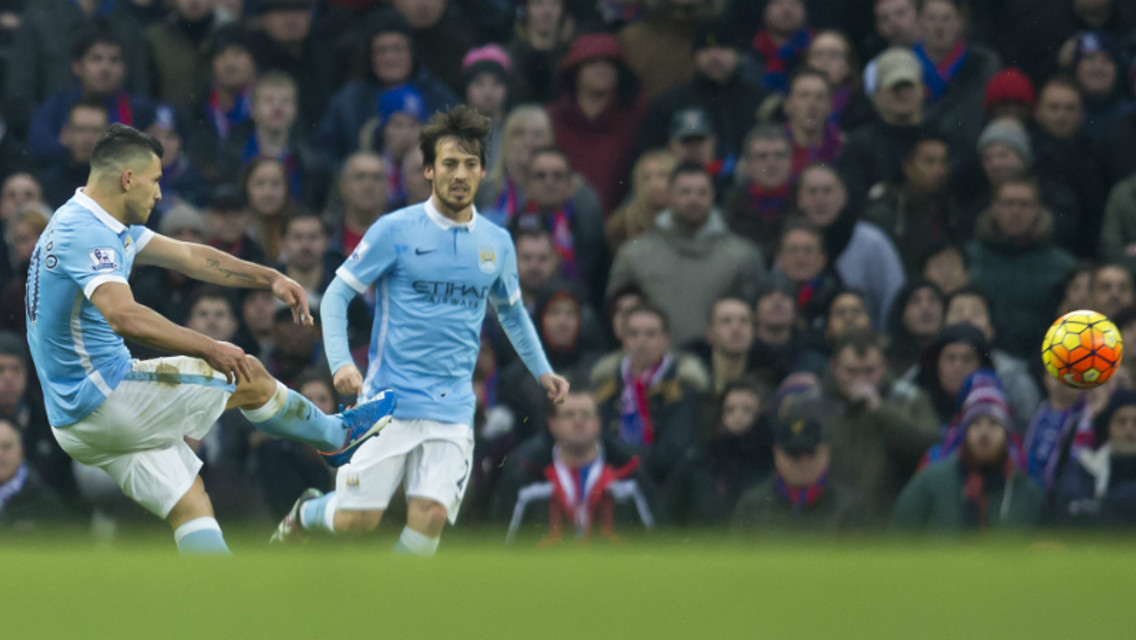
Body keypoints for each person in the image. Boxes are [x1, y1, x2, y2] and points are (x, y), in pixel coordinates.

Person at [25, 124, 396, 554]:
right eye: (155, 181)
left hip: (75, 418)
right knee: (246, 373)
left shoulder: (98, 220)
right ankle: (337, 438)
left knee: (190, 503)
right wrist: (208, 346)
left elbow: (189, 257)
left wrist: (269, 276)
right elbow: (124, 316)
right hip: (105, 397)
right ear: (128, 179)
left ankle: (222, 609)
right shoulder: (85, 232)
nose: (160, 194)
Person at [272, 106, 570, 556]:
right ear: (429, 170)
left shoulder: (496, 242)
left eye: (470, 164)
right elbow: (335, 296)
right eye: (449, 163)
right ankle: (307, 512)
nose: (460, 174)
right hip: (388, 402)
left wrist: (543, 371)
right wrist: (341, 366)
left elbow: (511, 313)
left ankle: (391, 612)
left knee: (430, 517)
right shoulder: (396, 230)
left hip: (453, 408)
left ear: (484, 170)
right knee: (357, 520)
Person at [606, 162, 765, 347]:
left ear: (713, 196)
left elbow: (755, 319)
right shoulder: (634, 255)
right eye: (685, 192)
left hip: (720, 363)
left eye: (701, 192)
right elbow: (615, 316)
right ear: (670, 196)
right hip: (653, 365)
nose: (694, 200)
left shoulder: (743, 256)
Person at [791, 329, 940, 524]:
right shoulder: (808, 406)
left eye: (870, 371)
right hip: (826, 527)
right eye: (851, 371)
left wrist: (881, 411)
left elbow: (930, 450)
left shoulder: (910, 400)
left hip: (889, 523)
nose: (861, 380)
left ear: (883, 366)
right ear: (835, 366)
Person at [494, 384, 656, 544]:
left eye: (586, 415)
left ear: (598, 422)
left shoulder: (630, 474)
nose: (578, 422)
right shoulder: (525, 475)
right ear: (552, 423)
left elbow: (657, 544)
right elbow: (504, 547)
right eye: (569, 415)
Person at [891, 381, 1044, 532]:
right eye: (975, 423)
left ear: (1007, 434)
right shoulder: (930, 483)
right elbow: (898, 540)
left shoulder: (1027, 494)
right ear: (964, 432)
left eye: (993, 423)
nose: (984, 433)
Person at [591, 303, 705, 485]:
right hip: (607, 480)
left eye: (650, 334)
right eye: (634, 334)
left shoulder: (684, 388)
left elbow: (674, 449)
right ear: (624, 339)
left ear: (666, 339)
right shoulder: (604, 387)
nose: (641, 341)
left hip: (662, 483)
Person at [967, 177, 1077, 359]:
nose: (1016, 211)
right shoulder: (969, 257)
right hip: (976, 357)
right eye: (1008, 203)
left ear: (1038, 209)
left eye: (1024, 204)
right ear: (995, 207)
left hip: (1040, 360)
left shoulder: (1063, 266)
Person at [665, 381, 774, 527]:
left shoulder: (775, 461)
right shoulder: (699, 461)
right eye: (730, 410)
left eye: (747, 409)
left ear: (761, 413)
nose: (738, 416)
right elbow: (669, 517)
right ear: (720, 415)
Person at [731, 415, 861, 532]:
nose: (803, 462)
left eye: (810, 453)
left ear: (826, 453)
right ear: (777, 454)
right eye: (794, 454)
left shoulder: (849, 508)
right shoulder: (752, 507)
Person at [1053, 389, 1136, 528]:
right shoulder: (1085, 464)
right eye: (1121, 422)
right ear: (1108, 427)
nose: (1129, 429)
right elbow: (1068, 500)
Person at [605, 149, 675, 252]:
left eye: (662, 175)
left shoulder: (688, 219)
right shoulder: (621, 225)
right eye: (646, 177)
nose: (654, 184)